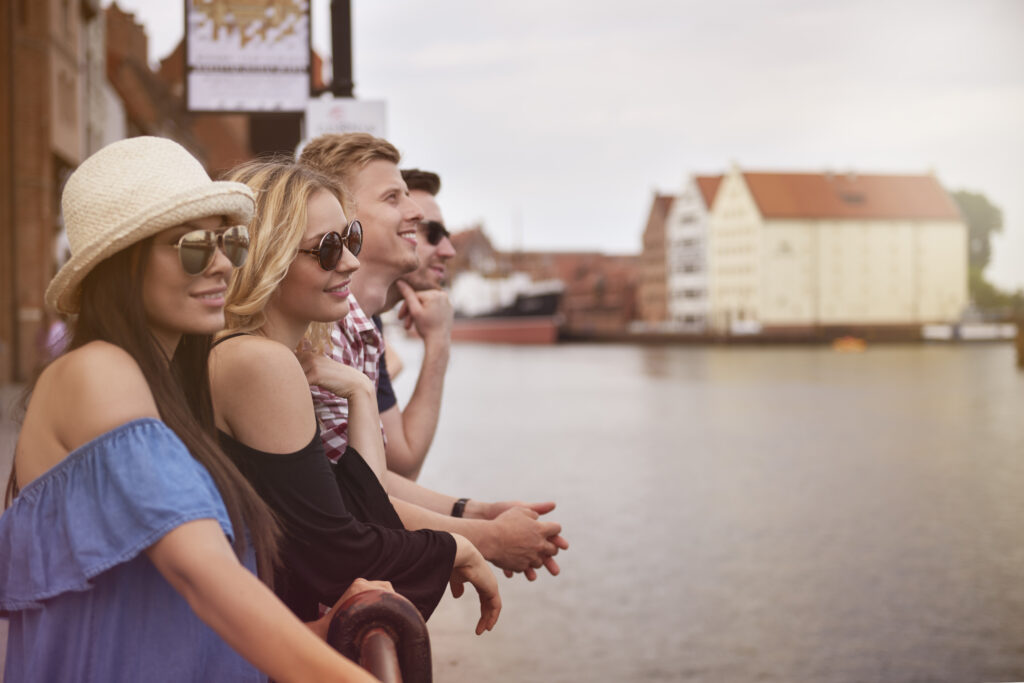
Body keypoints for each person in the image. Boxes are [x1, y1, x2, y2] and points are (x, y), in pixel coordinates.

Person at [0, 136, 378, 682]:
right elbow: (202, 577)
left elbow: (155, 618)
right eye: (192, 246)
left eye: (230, 243)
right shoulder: (97, 371)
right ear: (121, 264)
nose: (223, 265)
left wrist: (326, 629)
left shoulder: (168, 392)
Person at [211, 159, 500, 633]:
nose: (349, 260)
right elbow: (339, 555)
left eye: (351, 240)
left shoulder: (264, 357)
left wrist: (361, 390)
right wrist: (458, 546)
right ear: (269, 256)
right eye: (327, 248)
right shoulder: (259, 362)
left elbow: (364, 508)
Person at [298, 133, 568, 581]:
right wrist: (478, 538)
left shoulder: (363, 327)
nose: (417, 215)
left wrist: (473, 515)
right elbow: (355, 490)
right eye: (393, 197)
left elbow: (369, 475)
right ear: (342, 220)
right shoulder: (322, 331)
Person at [372, 168, 456, 481]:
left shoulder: (369, 323)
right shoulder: (347, 321)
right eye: (432, 234)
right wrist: (438, 341)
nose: (449, 250)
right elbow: (402, 468)